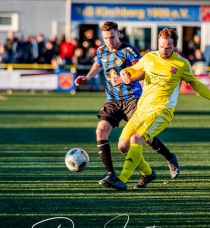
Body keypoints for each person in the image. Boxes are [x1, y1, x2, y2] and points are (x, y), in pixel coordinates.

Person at [100, 28, 210, 190]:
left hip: (161, 112)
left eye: (168, 48)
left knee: (137, 138)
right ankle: (148, 173)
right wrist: (125, 74)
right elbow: (133, 69)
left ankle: (121, 179)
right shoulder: (150, 57)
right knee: (122, 145)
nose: (164, 50)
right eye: (161, 46)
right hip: (141, 109)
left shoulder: (182, 64)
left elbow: (196, 84)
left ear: (175, 46)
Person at [74, 21, 180, 185]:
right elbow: (98, 63)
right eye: (106, 38)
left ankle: (169, 157)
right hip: (113, 101)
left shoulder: (129, 51)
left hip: (132, 99)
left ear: (118, 34)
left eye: (112, 37)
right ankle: (111, 173)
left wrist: (146, 94)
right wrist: (88, 77)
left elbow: (143, 71)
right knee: (101, 130)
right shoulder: (102, 51)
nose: (109, 41)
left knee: (143, 138)